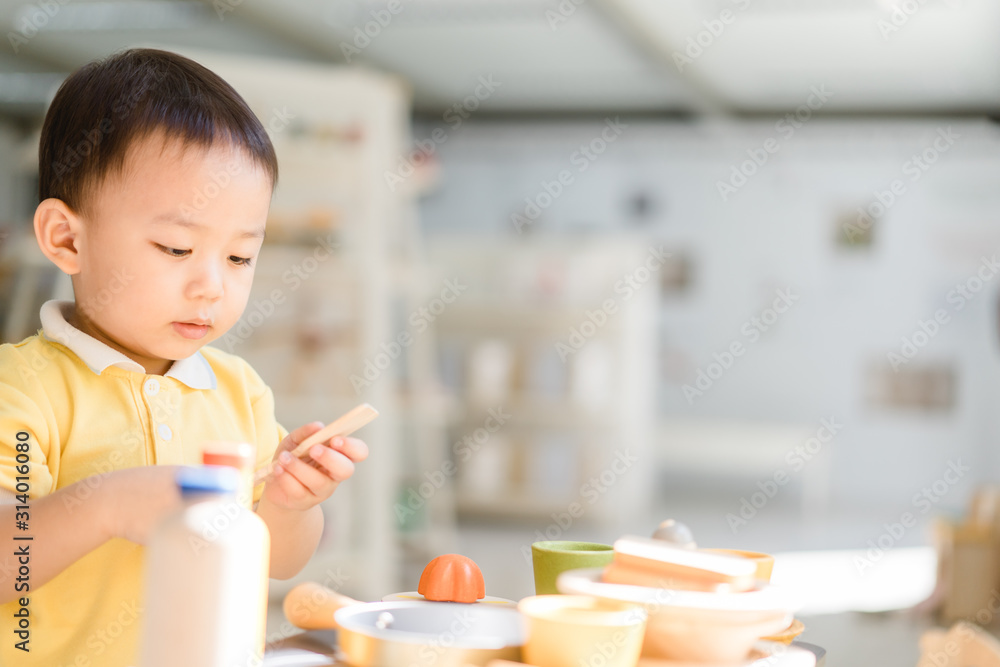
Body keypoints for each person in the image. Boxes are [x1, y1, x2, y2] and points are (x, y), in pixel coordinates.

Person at [0, 48, 368, 666]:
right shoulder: (23, 387)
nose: (212, 287)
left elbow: (278, 558)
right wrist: (108, 504)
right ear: (67, 238)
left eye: (239, 258)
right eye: (175, 248)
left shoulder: (238, 391)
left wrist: (289, 502)